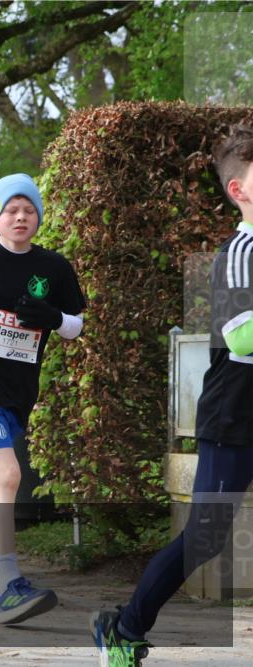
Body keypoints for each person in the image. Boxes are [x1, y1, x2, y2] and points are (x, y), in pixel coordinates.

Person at [91, 124, 253, 666]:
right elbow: (239, 337)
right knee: (205, 538)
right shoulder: (240, 251)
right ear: (240, 191)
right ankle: (125, 628)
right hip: (235, 416)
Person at [0, 173, 86, 625]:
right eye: (11, 209)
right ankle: (10, 587)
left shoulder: (54, 267)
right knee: (6, 474)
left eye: (28, 209)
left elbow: (77, 324)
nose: (20, 216)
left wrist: (54, 317)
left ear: (38, 217)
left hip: (19, 393)